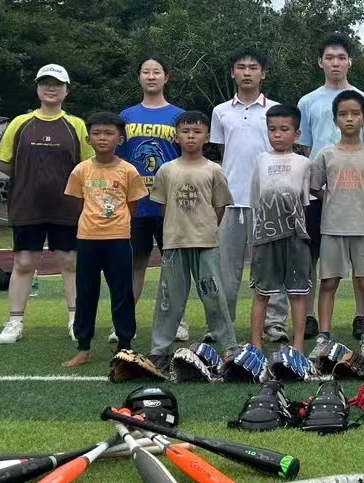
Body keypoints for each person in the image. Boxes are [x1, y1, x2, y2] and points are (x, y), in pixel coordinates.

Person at [0, 63, 92, 345]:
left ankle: (75, 320)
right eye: (45, 83)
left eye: (57, 84)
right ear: (37, 88)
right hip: (27, 205)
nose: (51, 88)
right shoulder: (20, 123)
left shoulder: (76, 125)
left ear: (66, 91)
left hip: (67, 206)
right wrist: (29, 178)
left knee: (70, 262)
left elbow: (88, 165)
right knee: (24, 262)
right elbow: (2, 162)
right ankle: (14, 322)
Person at [296, 33, 364, 339]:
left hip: (355, 195)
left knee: (363, 264)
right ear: (320, 62)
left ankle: (361, 318)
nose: (335, 63)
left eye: (341, 57)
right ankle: (310, 317)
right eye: (330, 57)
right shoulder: (307, 101)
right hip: (319, 192)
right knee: (313, 257)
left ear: (350, 62)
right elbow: (305, 149)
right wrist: (317, 189)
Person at [209, 47, 289, 342]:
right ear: (233, 73)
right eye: (241, 67)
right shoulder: (220, 111)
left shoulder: (275, 110)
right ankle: (222, 323)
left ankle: (275, 323)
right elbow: (223, 151)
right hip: (230, 201)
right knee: (225, 269)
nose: (246, 72)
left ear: (263, 74)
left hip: (268, 200)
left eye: (253, 67)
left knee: (271, 265)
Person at [148, 110, 236, 361]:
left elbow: (220, 206)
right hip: (174, 242)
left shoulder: (214, 170)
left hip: (206, 242)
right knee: (169, 298)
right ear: (176, 136)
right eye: (185, 131)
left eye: (197, 132)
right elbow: (163, 206)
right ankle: (159, 349)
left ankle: (228, 346)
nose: (190, 136)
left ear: (206, 137)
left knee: (213, 295)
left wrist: (206, 227)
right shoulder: (166, 170)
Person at [62, 112, 147, 368]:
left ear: (120, 139)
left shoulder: (128, 171)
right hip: (88, 238)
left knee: (122, 293)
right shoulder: (81, 170)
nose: (102, 138)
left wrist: (115, 222)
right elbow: (80, 203)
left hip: (118, 238)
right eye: (97, 133)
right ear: (88, 138)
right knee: (86, 293)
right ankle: (83, 347)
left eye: (109, 133)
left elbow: (132, 205)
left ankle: (125, 346)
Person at [309, 91, 364, 347]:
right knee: (328, 282)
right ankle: (324, 333)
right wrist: (335, 201)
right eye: (343, 114)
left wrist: (363, 201)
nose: (349, 119)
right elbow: (314, 187)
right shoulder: (325, 154)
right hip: (332, 228)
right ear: (335, 119)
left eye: (355, 114)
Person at [119, 57, 183, 338]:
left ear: (166, 77)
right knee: (135, 263)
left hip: (169, 203)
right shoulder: (126, 116)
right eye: (146, 71)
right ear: (139, 77)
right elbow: (119, 160)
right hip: (136, 204)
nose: (151, 76)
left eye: (157, 72)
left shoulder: (178, 116)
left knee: (174, 265)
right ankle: (124, 322)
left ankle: (177, 321)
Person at [250, 104, 314, 353]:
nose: (277, 134)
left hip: (295, 236)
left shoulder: (304, 163)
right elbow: (256, 199)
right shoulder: (260, 160)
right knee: (261, 292)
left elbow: (304, 202)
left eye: (284, 129)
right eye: (272, 129)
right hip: (265, 237)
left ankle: (297, 346)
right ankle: (256, 345)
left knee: (297, 293)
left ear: (296, 134)